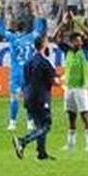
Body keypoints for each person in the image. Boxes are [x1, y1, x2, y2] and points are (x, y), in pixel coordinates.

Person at [0, 0, 46, 131]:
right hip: (29, 73)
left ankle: (12, 123)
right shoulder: (32, 37)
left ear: (16, 28)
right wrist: (36, 11)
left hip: (16, 73)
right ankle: (30, 122)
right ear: (26, 28)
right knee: (29, 98)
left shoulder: (12, 38)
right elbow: (40, 27)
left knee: (14, 98)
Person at [54, 12, 88, 153]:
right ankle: (70, 145)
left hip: (81, 87)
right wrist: (63, 23)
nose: (78, 42)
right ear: (71, 42)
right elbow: (55, 38)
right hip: (69, 87)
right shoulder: (68, 51)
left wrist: (77, 23)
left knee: (85, 115)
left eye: (79, 40)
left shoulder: (85, 51)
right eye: (75, 40)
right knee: (71, 117)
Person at [13, 33, 56, 161]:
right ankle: (22, 141)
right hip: (41, 98)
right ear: (43, 45)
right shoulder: (44, 62)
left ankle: (42, 154)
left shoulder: (28, 62)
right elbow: (53, 80)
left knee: (39, 125)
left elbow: (26, 80)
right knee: (46, 125)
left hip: (29, 97)